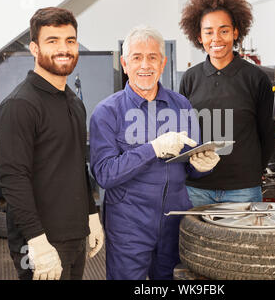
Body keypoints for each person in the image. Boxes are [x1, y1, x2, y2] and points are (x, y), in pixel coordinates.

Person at [89, 25, 220, 280]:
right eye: (137, 58)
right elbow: (104, 174)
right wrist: (152, 149)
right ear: (125, 64)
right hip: (129, 225)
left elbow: (192, 164)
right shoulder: (107, 112)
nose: (145, 65)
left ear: (163, 63)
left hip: (175, 220)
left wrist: (204, 165)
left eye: (152, 57)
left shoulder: (181, 104)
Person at [0, 7, 104, 280]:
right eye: (52, 41)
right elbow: (13, 179)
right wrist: (37, 240)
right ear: (34, 48)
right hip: (40, 240)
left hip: (75, 233)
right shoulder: (19, 105)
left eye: (69, 40)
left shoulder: (74, 102)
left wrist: (91, 215)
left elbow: (78, 165)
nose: (63, 49)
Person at [179, 0, 275, 206]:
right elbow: (183, 133)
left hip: (243, 190)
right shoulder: (190, 78)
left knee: (243, 242)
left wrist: (252, 174)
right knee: (195, 242)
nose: (216, 38)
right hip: (196, 188)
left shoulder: (255, 78)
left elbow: (268, 133)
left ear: (235, 32)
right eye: (209, 31)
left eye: (224, 30)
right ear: (198, 35)